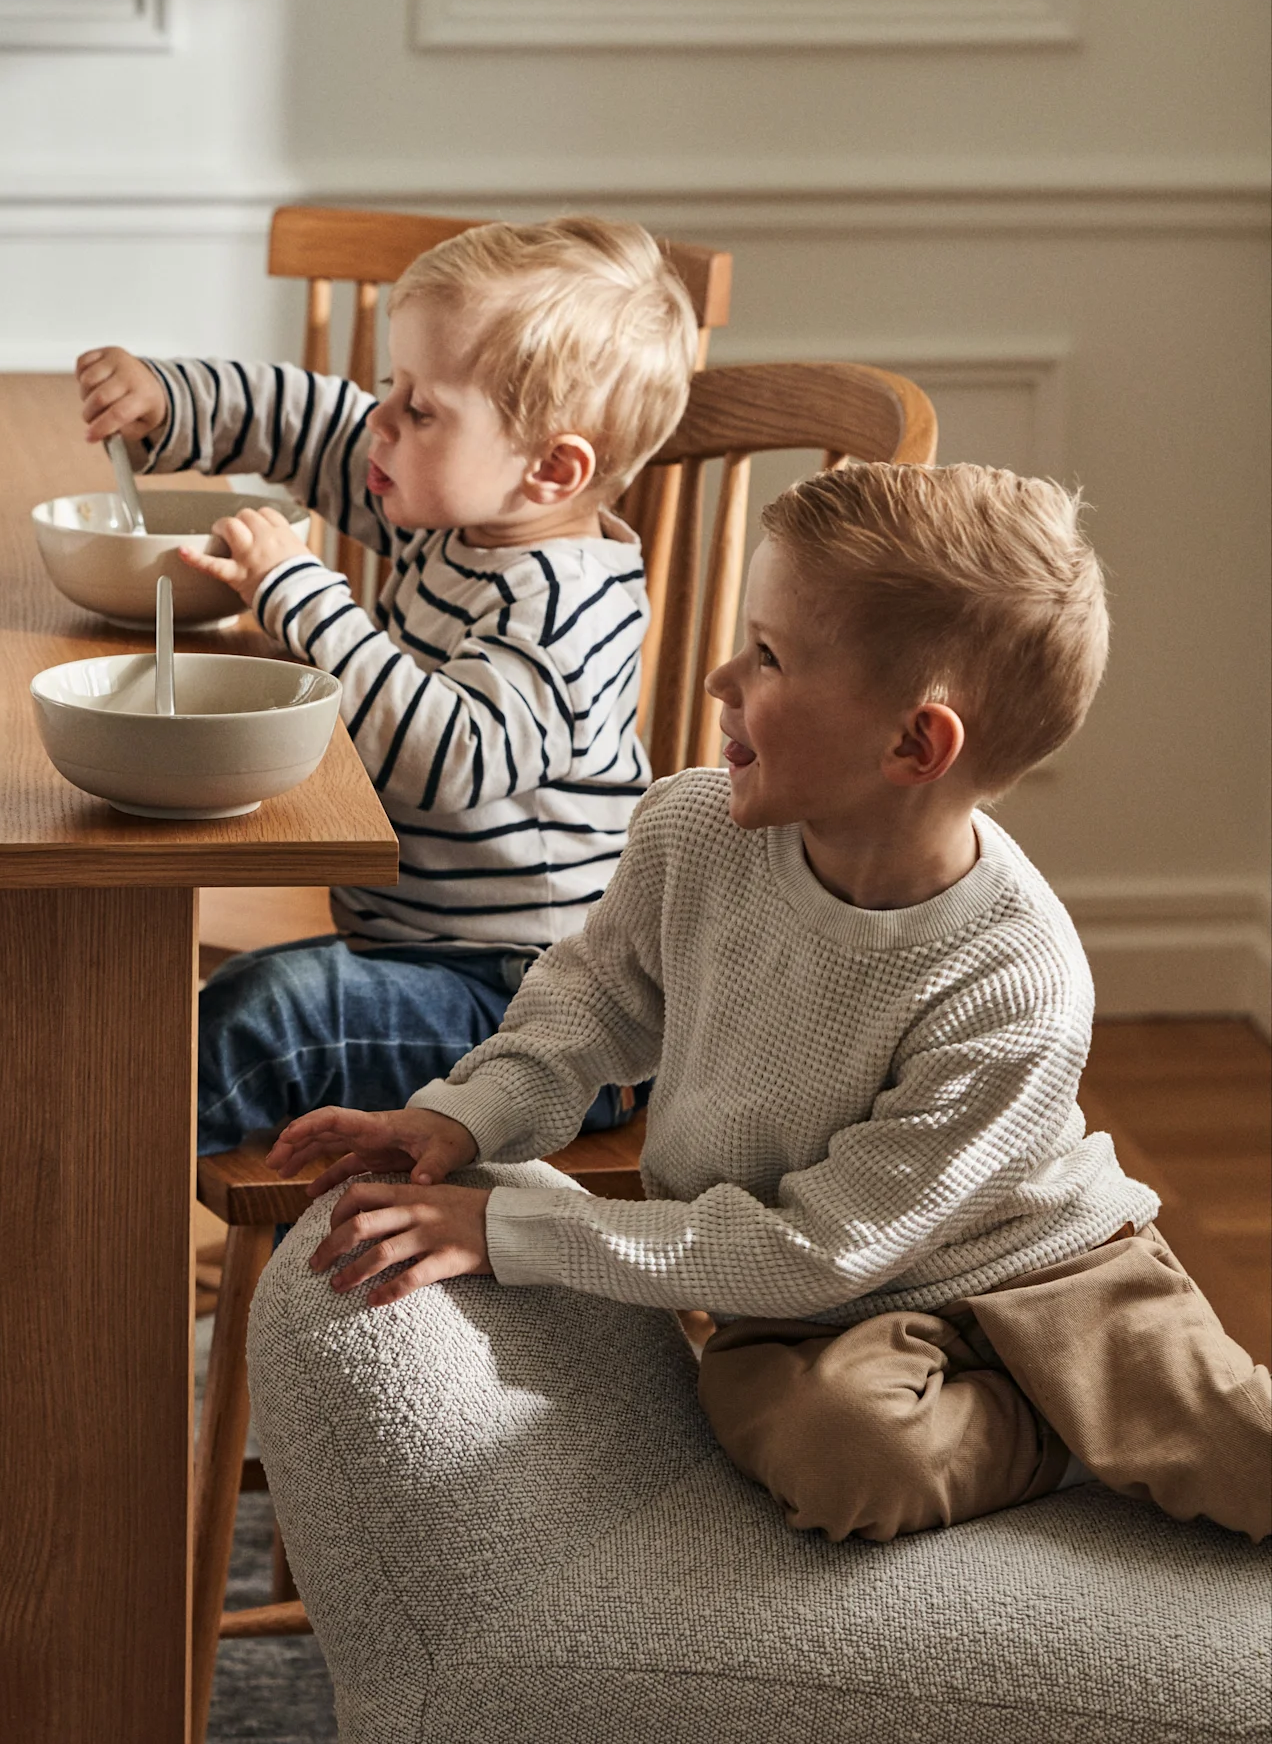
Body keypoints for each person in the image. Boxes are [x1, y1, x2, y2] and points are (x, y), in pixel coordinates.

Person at [270, 460, 1271, 1545]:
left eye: (770, 657)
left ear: (913, 745)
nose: (717, 679)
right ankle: (1055, 1434)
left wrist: (512, 1225)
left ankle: (1087, 1398)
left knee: (1243, 1451)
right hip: (801, 1304)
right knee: (846, 1467)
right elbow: (586, 1008)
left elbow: (829, 1239)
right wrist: (460, 1119)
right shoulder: (692, 832)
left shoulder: (1014, 979)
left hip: (1050, 1266)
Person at [76, 216, 698, 1155]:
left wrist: (302, 593)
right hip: (424, 953)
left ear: (552, 469)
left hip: (540, 1019)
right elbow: (315, 423)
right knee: (164, 991)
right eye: (390, 388)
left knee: (264, 1015)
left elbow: (448, 757)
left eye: (422, 408)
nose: (382, 420)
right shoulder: (461, 516)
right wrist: (174, 398)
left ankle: (84, 1186)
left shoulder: (567, 606)